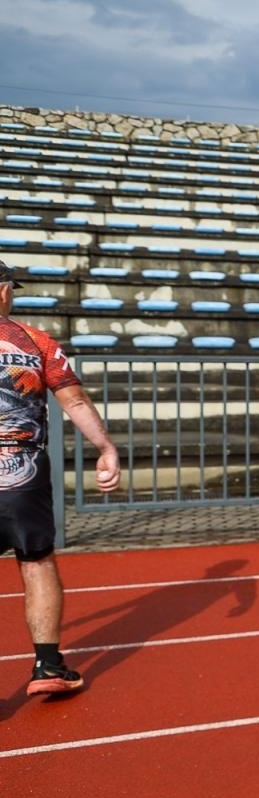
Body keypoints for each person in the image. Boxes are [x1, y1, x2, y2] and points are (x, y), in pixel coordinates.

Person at [0, 260, 121, 696]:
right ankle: (48, 666)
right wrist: (106, 449)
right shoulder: (36, 341)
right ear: (3, 291)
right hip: (23, 471)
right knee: (36, 562)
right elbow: (75, 401)